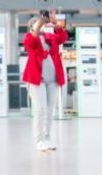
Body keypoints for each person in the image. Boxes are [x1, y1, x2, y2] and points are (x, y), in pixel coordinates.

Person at [22, 12, 68, 152]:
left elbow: (63, 37)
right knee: (40, 109)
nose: (42, 26)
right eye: (38, 24)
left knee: (49, 110)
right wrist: (37, 26)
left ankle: (47, 138)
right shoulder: (30, 37)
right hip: (37, 80)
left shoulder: (50, 37)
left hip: (53, 79)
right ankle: (39, 140)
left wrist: (55, 24)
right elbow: (30, 43)